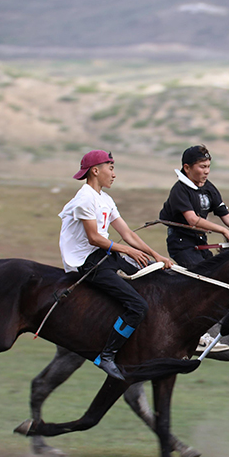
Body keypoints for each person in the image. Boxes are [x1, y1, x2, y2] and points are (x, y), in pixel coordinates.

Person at [59, 150, 173, 380]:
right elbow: (94, 238)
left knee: (155, 276)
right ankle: (107, 356)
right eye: (110, 168)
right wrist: (128, 251)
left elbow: (127, 233)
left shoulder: (105, 199)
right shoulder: (84, 199)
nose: (113, 174)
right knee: (137, 306)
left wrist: (155, 256)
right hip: (87, 262)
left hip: (103, 254)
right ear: (95, 170)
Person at [159, 144, 229, 268]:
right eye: (202, 167)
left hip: (201, 242)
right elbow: (192, 220)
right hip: (182, 245)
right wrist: (223, 230)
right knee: (204, 277)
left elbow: (227, 216)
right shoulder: (180, 190)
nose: (207, 171)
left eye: (208, 167)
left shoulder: (208, 187)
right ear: (187, 168)